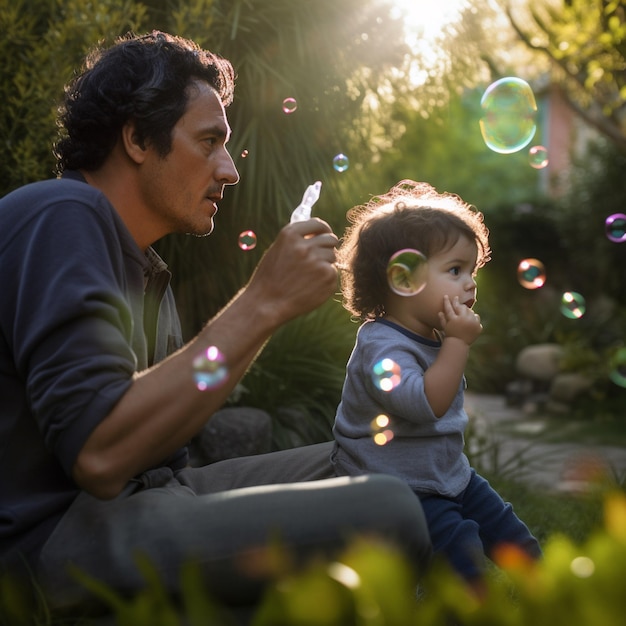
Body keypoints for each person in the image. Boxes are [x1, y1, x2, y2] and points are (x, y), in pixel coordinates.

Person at [0, 33, 432, 614]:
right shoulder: (61, 215)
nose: (229, 171)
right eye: (209, 142)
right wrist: (264, 303)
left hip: (142, 500)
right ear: (135, 137)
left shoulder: (144, 266)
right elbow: (99, 452)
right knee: (389, 510)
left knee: (381, 465)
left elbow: (162, 465)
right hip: (45, 546)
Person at [331, 179, 541, 592]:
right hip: (401, 489)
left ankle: (555, 599)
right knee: (462, 560)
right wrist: (459, 342)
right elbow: (428, 403)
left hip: (449, 475)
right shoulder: (380, 346)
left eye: (472, 270)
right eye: (455, 270)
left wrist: (451, 341)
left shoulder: (429, 334)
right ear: (404, 279)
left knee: (516, 540)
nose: (470, 283)